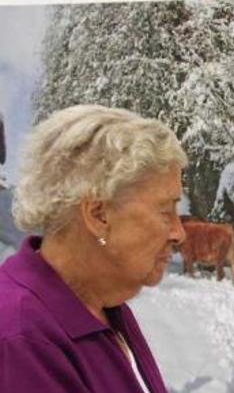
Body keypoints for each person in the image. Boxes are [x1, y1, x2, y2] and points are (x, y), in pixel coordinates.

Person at [0, 105, 188, 392]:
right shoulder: (22, 340)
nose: (179, 233)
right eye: (165, 211)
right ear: (99, 215)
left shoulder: (103, 304)